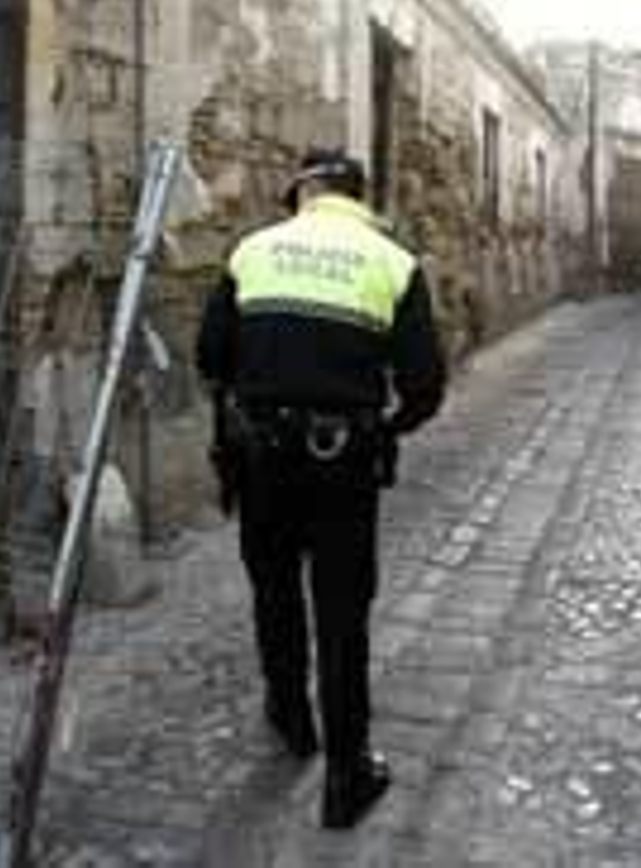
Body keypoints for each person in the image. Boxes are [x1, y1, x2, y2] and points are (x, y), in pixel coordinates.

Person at [196, 148, 447, 830]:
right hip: (344, 461)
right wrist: (383, 427)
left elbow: (210, 357)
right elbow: (426, 384)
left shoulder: (252, 251)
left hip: (260, 458)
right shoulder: (391, 262)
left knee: (274, 588)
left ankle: (290, 719)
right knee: (342, 609)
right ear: (358, 198)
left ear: (301, 193)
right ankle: (345, 776)